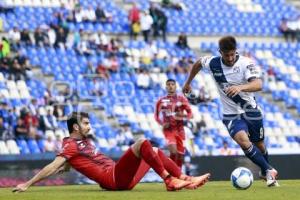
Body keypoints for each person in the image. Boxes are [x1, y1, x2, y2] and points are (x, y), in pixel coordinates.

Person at [13, 112, 210, 193]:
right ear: (75, 127)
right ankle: (168, 180)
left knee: (156, 150)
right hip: (113, 179)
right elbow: (53, 165)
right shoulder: (70, 145)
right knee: (142, 143)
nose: (89, 126)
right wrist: (27, 184)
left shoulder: (79, 144)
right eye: (86, 123)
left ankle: (186, 178)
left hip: (121, 178)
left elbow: (69, 162)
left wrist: (67, 164)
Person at [182, 35, 279, 187]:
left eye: (232, 54)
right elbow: (198, 63)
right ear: (220, 52)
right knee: (243, 140)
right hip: (231, 114)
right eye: (226, 55)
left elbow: (259, 84)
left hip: (251, 110)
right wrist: (188, 82)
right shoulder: (213, 62)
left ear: (236, 51)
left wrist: (240, 87)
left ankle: (264, 170)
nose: (230, 58)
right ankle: (269, 170)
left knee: (259, 144)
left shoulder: (246, 63)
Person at [155, 79, 192, 169]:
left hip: (180, 130)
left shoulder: (182, 99)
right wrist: (162, 124)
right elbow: (156, 116)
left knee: (180, 155)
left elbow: (190, 113)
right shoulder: (161, 101)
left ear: (175, 86)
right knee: (173, 151)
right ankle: (171, 173)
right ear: (166, 87)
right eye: (168, 84)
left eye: (172, 84)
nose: (170, 86)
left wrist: (183, 117)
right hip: (169, 130)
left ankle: (177, 173)